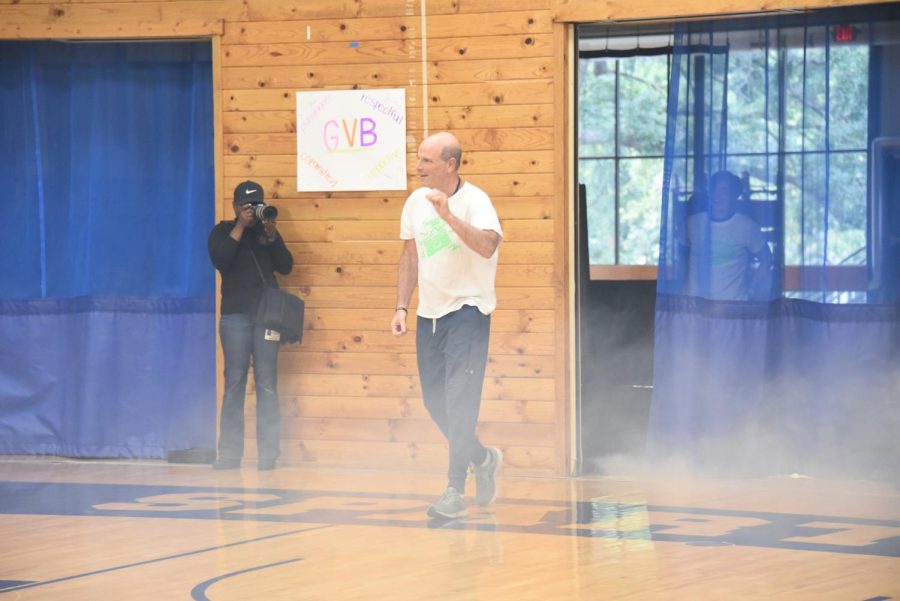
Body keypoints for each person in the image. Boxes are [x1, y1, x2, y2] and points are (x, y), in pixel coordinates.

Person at [391, 131, 504, 519]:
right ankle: (482, 458)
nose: (417, 166)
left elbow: (488, 246)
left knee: (460, 401)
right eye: (418, 158)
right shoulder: (414, 202)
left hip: (469, 312)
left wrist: (449, 216)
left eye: (426, 160)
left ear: (450, 164)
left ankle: (455, 490)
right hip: (430, 314)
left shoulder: (476, 201)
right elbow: (410, 256)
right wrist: (401, 306)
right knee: (434, 401)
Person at [208, 181, 294, 470]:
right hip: (234, 317)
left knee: (267, 385)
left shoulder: (266, 233)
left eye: (255, 205)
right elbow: (221, 260)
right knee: (234, 384)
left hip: (266, 318)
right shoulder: (222, 231)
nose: (252, 210)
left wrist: (271, 234)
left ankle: (268, 455)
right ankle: (230, 455)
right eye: (246, 206)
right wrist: (240, 227)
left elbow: (285, 266)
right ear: (235, 207)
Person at [681, 170, 771, 301]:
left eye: (724, 190)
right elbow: (680, 258)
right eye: (714, 189)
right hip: (694, 307)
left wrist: (752, 290)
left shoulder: (747, 226)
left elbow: (766, 259)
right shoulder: (692, 223)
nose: (718, 195)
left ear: (734, 196)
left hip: (733, 307)